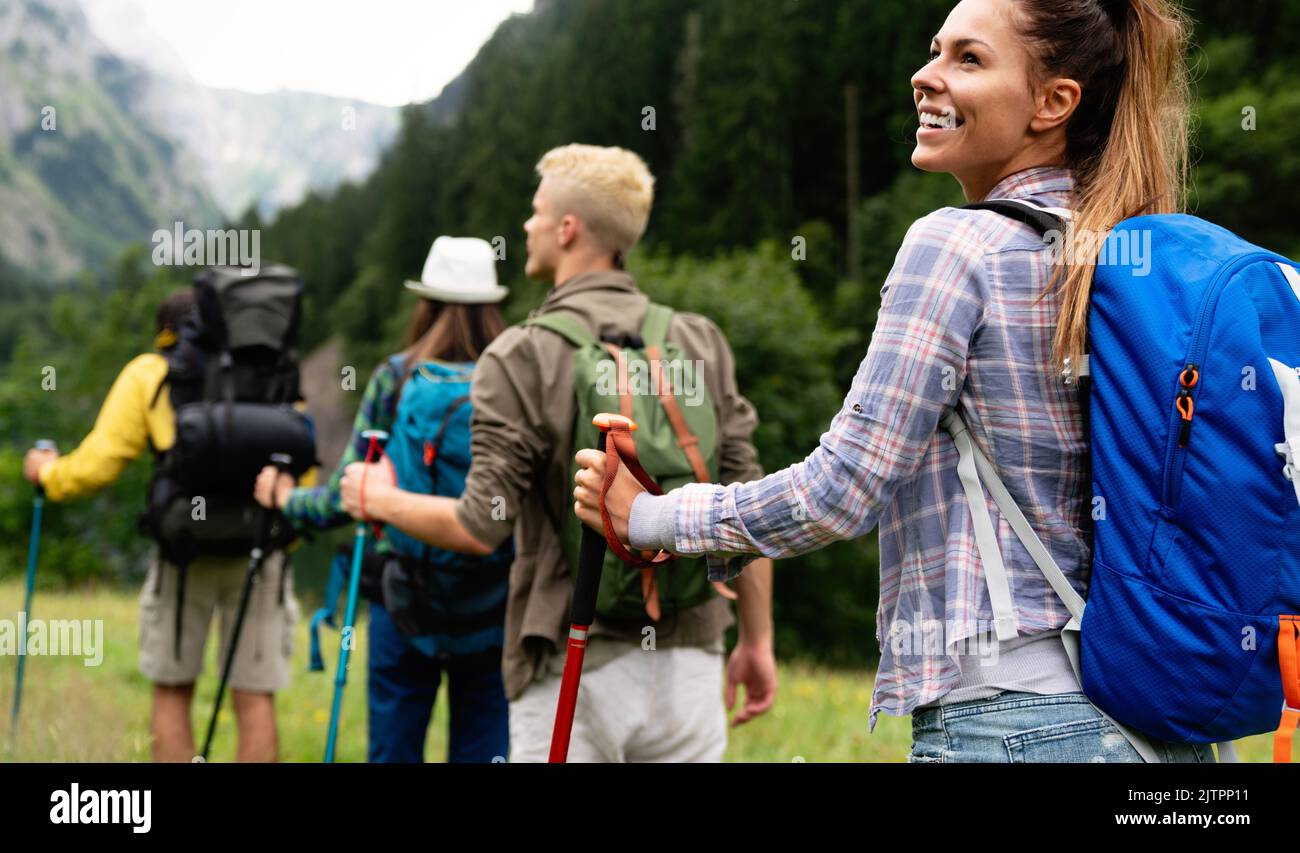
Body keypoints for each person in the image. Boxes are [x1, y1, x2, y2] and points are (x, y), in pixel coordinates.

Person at [573, 0, 1214, 763]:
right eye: (934, 50)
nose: (925, 75)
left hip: (1011, 719)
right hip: (1156, 734)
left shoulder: (955, 245)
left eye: (968, 60)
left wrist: (648, 517)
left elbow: (840, 490)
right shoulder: (1133, 254)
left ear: (1054, 103)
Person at [336, 143, 778, 762]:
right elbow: (748, 507)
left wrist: (377, 498)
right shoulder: (697, 338)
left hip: (573, 659)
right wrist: (756, 642)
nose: (526, 226)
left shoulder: (522, 353)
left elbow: (479, 525)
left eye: (536, 211)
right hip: (691, 658)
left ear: (567, 229)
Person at [254, 237, 514, 763]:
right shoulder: (514, 380)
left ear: (426, 303)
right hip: (496, 606)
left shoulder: (396, 378)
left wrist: (286, 499)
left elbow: (347, 496)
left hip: (406, 602)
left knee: (394, 753)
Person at [22, 287, 306, 762]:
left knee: (173, 690)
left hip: (183, 549)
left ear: (166, 333)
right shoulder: (268, 372)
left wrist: (48, 474)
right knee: (254, 697)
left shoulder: (151, 374)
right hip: (260, 549)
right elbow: (302, 465)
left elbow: (100, 463)